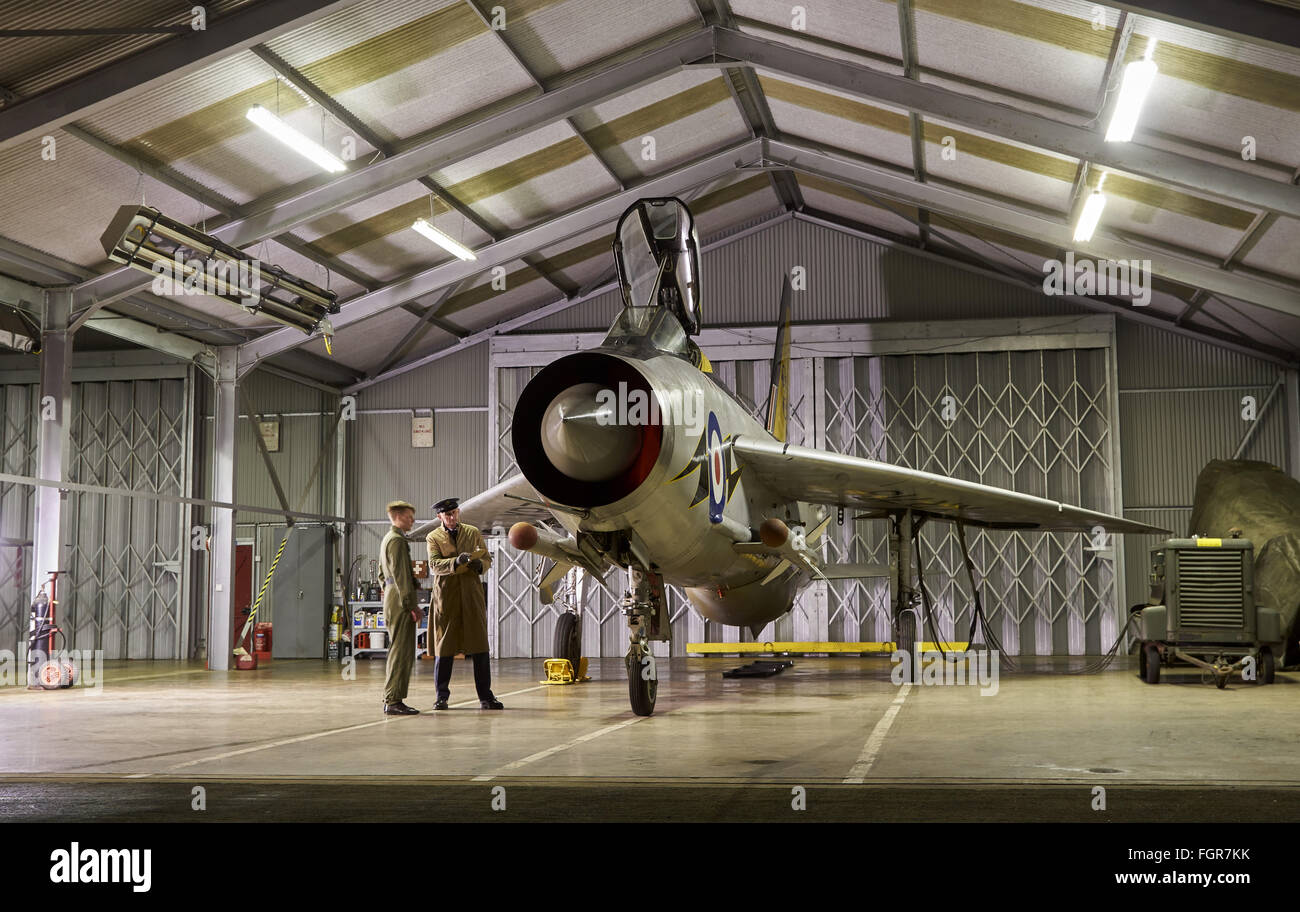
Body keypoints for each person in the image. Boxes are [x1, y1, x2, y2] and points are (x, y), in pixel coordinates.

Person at [426, 497, 502, 710]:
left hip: (471, 594)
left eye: (454, 513)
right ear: (439, 516)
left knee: (479, 646)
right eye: (447, 515)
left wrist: (480, 565)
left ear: (458, 512)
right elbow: (433, 565)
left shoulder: (472, 532)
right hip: (447, 596)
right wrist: (455, 561)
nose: (451, 518)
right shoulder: (433, 537)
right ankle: (441, 697)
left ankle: (486, 697)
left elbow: (487, 559)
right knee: (445, 648)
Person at [380, 500, 422, 716]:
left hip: (391, 597)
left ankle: (392, 697)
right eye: (408, 517)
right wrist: (411, 605)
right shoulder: (396, 541)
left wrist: (389, 594)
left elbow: (381, 574)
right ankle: (394, 700)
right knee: (401, 651)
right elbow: (402, 576)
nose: (412, 521)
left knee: (398, 648)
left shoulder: (387, 539)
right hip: (400, 600)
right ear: (397, 516)